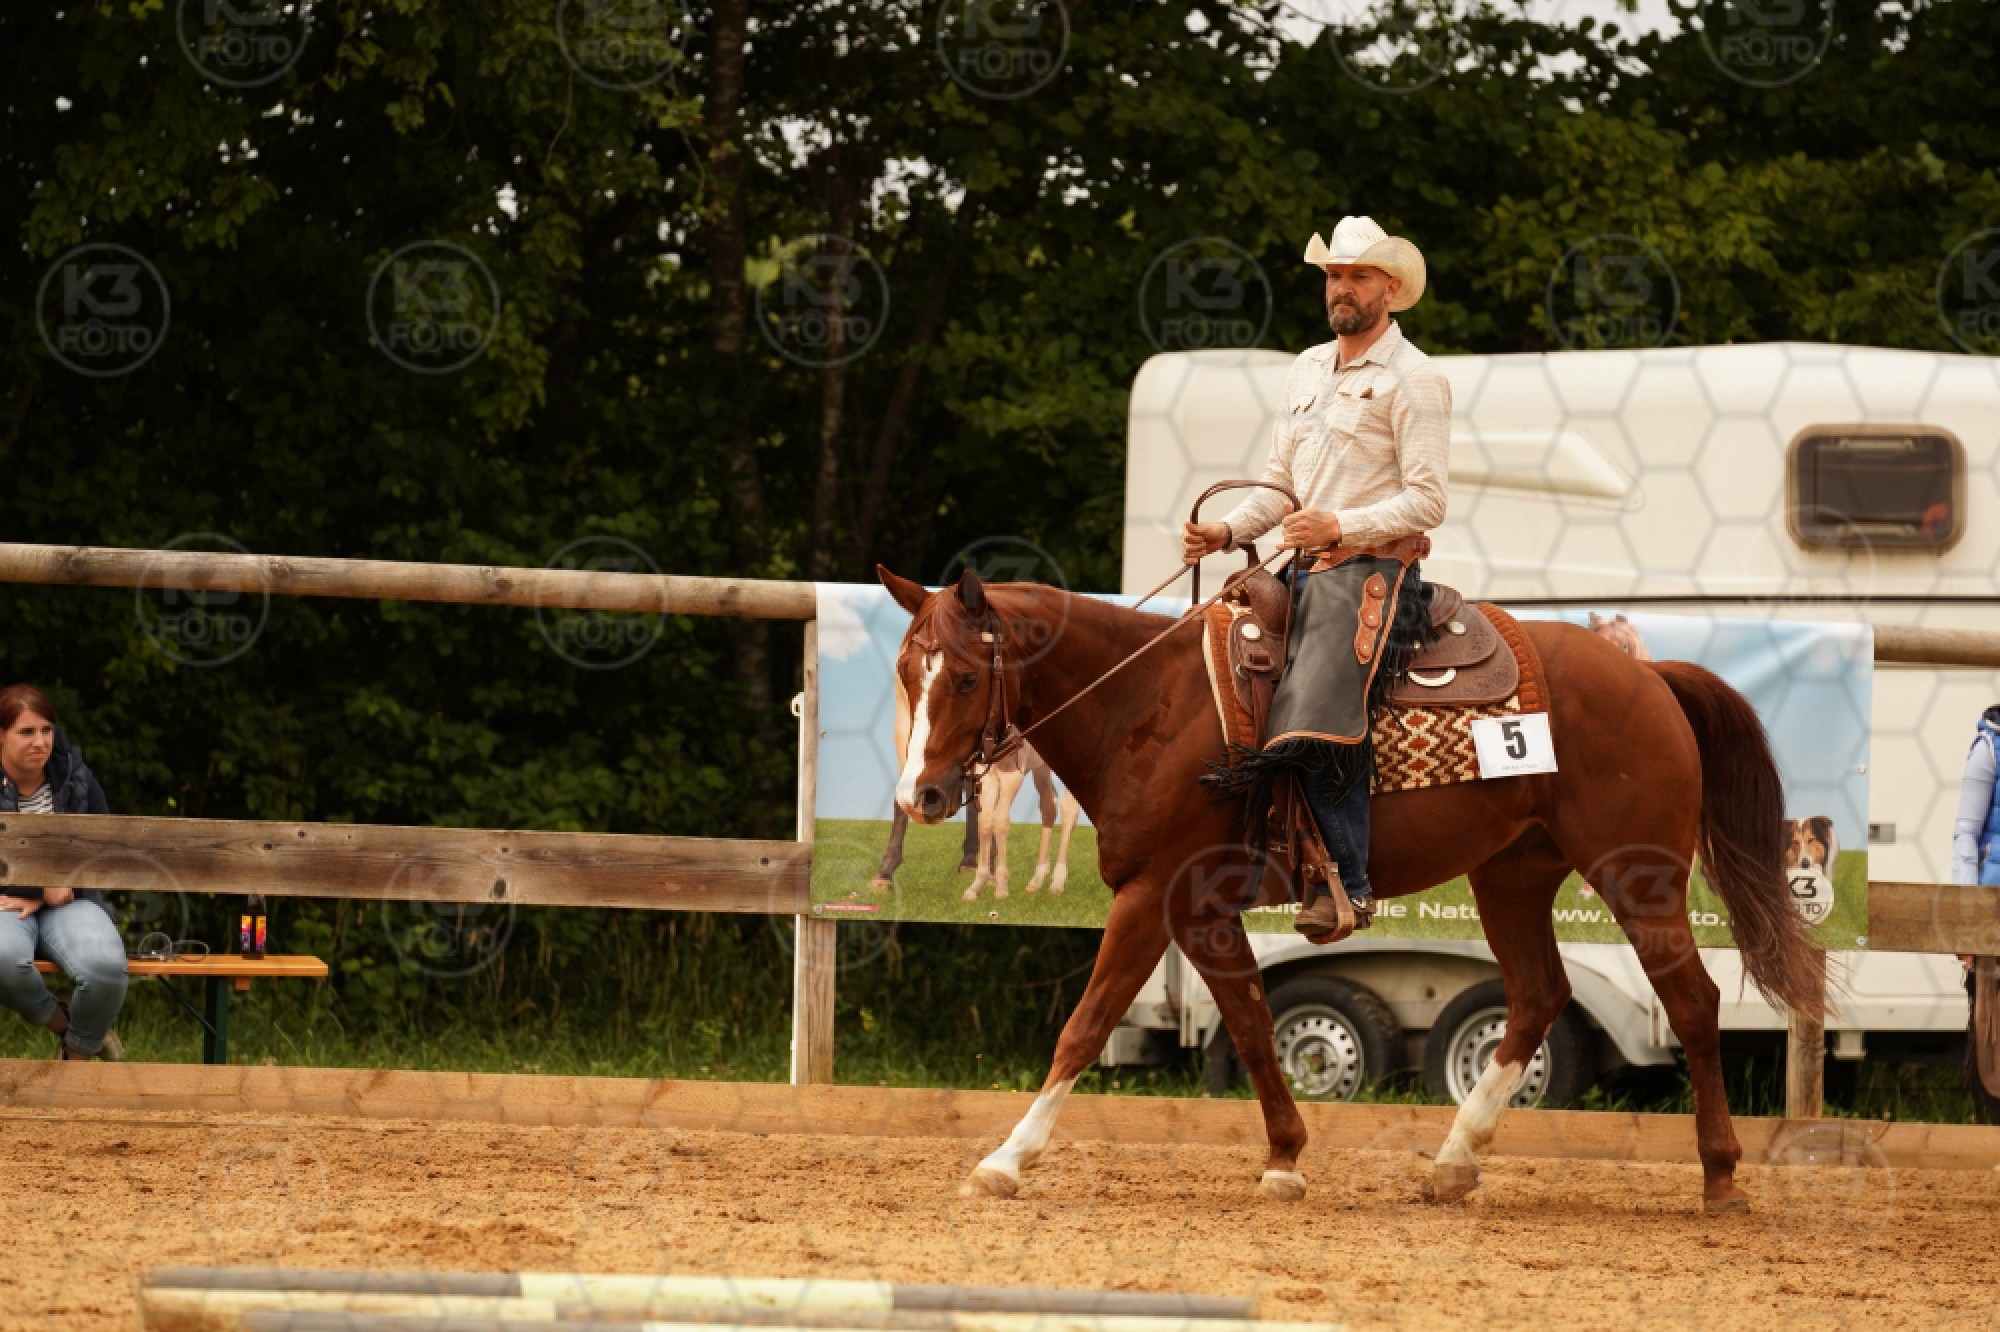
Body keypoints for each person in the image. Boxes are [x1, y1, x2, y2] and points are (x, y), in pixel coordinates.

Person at [1181, 215, 1451, 939]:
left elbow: (1428, 499)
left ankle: (1348, 884)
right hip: (1298, 569)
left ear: (1390, 288)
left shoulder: (1416, 378)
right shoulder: (1304, 368)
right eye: (1334, 275)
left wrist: (1338, 526)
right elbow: (1279, 484)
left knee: (1316, 707)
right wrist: (1227, 532)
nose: (1342, 287)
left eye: (1358, 276)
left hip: (1374, 571)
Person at [0, 684, 127, 1060]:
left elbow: (103, 848)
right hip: (6, 903)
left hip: (73, 898)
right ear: (1, 735)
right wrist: (40, 890)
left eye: (46, 730)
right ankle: (64, 1021)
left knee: (106, 969)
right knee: (3, 959)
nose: (40, 742)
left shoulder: (76, 776)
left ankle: (76, 1056)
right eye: (26, 732)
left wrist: (54, 891)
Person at [1953, 703, 2000, 1122]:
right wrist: (1966, 923)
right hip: (1992, 918)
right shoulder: (1989, 748)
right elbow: (1966, 834)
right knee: (1992, 1038)